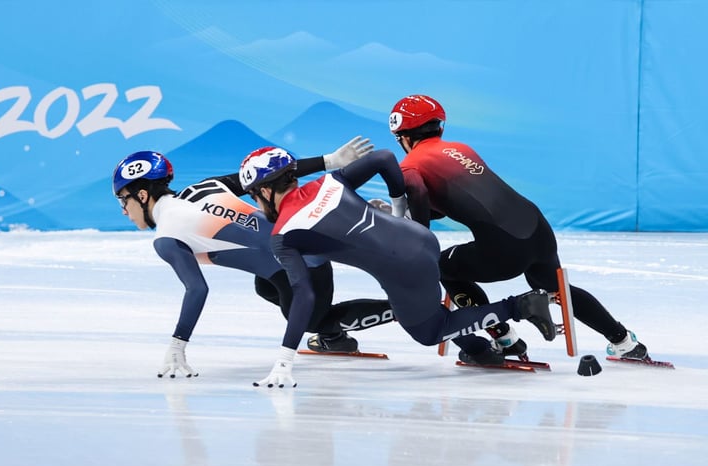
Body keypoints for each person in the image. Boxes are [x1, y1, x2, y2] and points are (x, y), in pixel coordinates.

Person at [237, 145, 557, 388]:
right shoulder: (328, 182)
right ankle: (478, 349)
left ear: (264, 190)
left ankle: (521, 306)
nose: (256, 203)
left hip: (403, 267)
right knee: (420, 309)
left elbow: (304, 296)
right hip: (421, 238)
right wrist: (398, 206)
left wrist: (284, 360)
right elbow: (384, 157)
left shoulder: (284, 234)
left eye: (253, 196)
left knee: (429, 331)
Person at [389, 94, 648, 362]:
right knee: (555, 286)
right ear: (439, 127)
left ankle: (506, 340)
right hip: (537, 229)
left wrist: (408, 235)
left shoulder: (410, 166)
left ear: (403, 136)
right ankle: (625, 342)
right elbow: (454, 200)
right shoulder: (460, 149)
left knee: (443, 267)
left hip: (504, 246)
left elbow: (421, 212)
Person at [112, 139, 397, 379]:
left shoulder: (166, 236)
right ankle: (333, 336)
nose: (124, 210)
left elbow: (197, 289)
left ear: (142, 195)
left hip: (299, 262)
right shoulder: (203, 187)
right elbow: (268, 173)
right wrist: (330, 160)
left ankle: (400, 309)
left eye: (123, 200)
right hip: (295, 249)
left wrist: (177, 345)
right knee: (265, 287)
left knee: (311, 321)